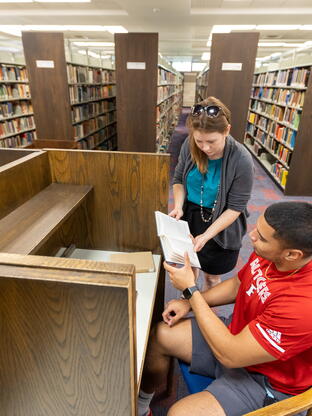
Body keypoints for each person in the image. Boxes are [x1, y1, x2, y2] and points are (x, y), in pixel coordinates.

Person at [138, 201, 312, 416]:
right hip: (237, 334)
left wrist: (191, 292)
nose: (252, 236)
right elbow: (239, 284)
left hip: (265, 380)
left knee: (179, 414)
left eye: (263, 238)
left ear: (292, 255)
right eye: (257, 228)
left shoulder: (302, 305)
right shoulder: (269, 255)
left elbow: (230, 355)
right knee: (160, 335)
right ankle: (141, 408)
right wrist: (189, 301)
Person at [169, 96, 254, 288]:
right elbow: (178, 180)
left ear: (227, 131)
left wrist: (207, 235)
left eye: (211, 141)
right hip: (190, 216)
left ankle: (206, 310)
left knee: (212, 277)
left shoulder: (242, 160)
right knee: (189, 269)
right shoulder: (189, 145)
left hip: (222, 225)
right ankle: (189, 301)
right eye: (200, 141)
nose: (205, 148)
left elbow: (235, 207)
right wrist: (178, 206)